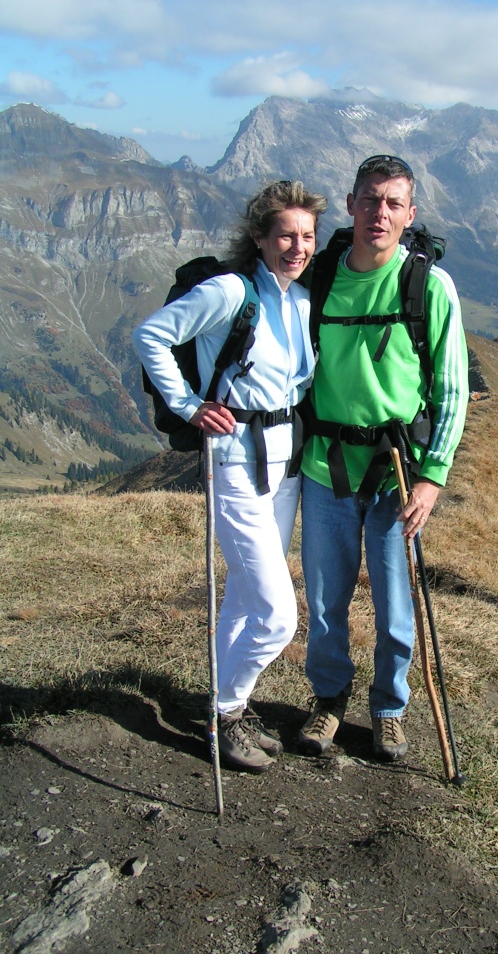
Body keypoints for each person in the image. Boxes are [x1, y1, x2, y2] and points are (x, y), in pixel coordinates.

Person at [133, 180, 327, 773]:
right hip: (235, 463)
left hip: (285, 467)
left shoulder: (300, 300)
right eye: (286, 236)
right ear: (260, 238)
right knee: (278, 616)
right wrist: (189, 405)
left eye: (307, 237)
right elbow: (151, 335)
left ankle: (225, 707)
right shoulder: (229, 292)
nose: (298, 247)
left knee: (244, 595)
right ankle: (226, 713)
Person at [298, 155, 468, 762]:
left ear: (410, 213)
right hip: (326, 466)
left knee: (397, 603)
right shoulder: (317, 279)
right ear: (350, 205)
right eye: (370, 199)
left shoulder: (429, 287)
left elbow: (452, 390)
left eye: (394, 203)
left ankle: (389, 709)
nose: (380, 212)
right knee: (325, 599)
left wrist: (432, 478)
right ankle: (329, 699)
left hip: (399, 473)